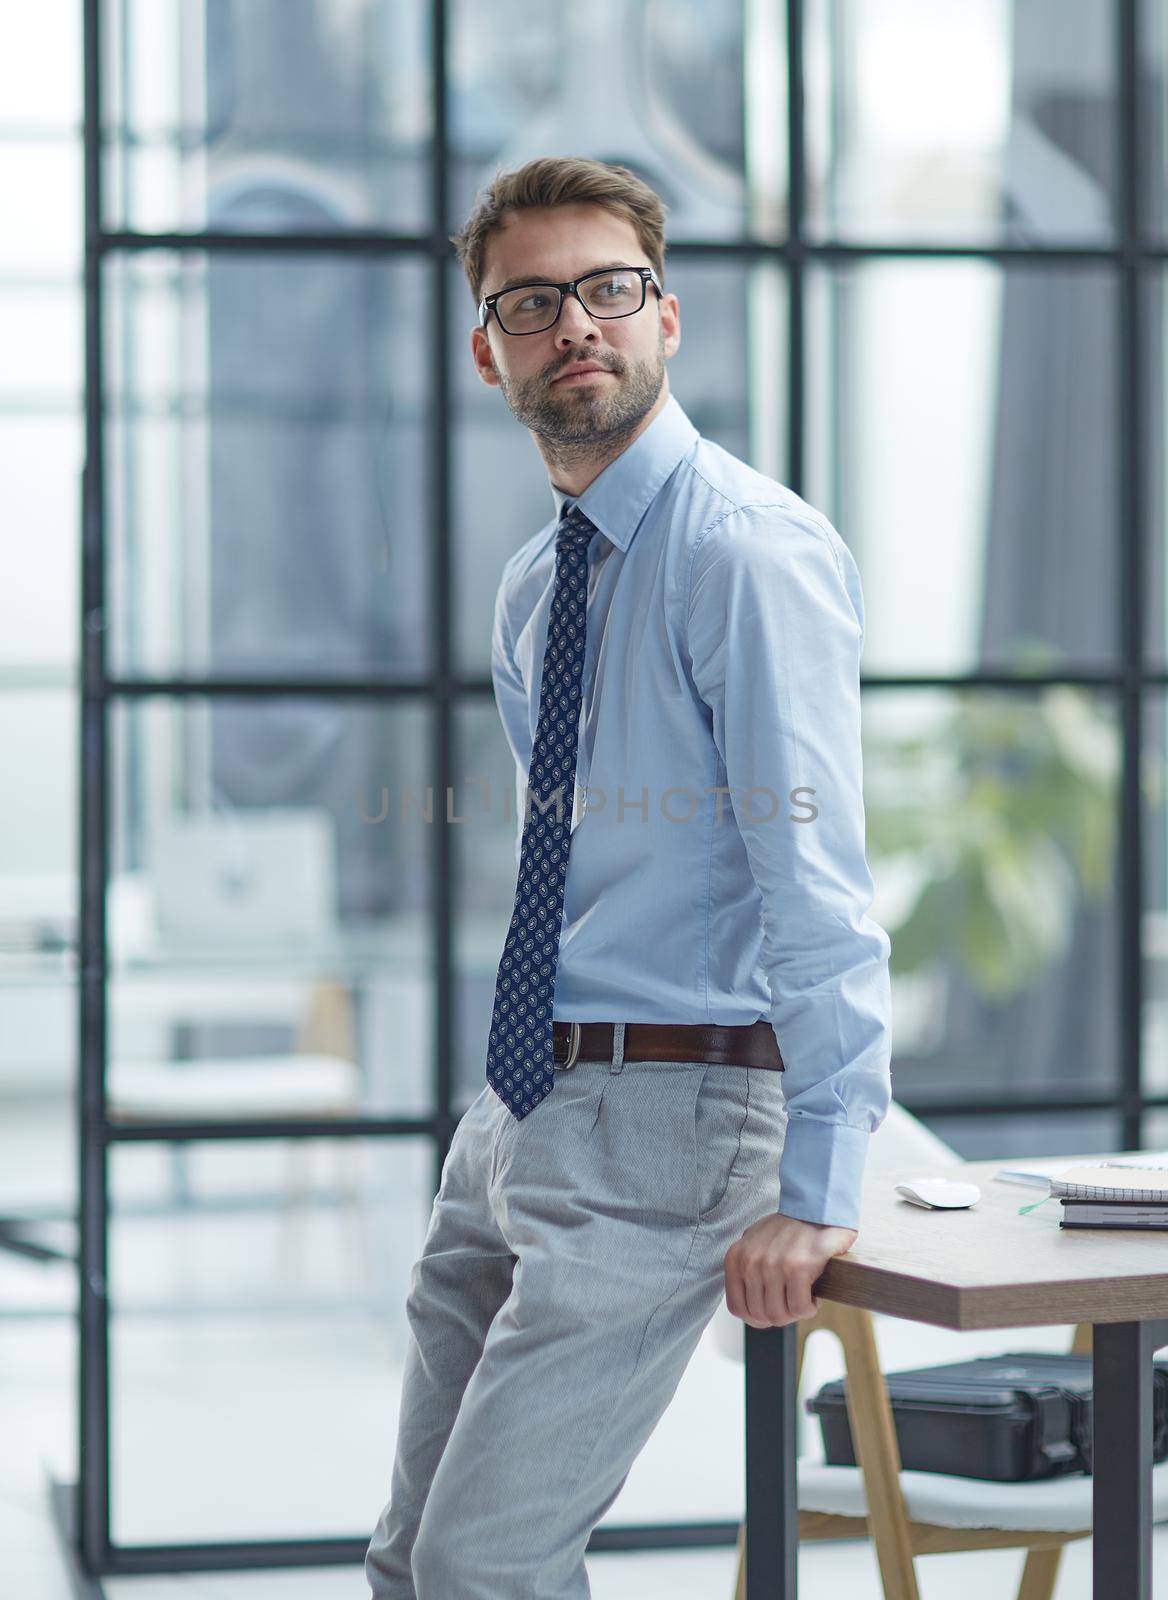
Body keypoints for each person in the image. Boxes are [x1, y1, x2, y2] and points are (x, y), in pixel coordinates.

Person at [364, 155, 892, 1600]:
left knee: (485, 1561)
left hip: (681, 1103)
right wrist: (507, 1110)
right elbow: (585, 856)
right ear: (488, 353)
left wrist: (820, 1175)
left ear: (670, 316)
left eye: (609, 289)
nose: (575, 325)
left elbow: (816, 876)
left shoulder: (746, 554)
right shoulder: (540, 581)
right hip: (525, 1098)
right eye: (532, 303)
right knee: (412, 1560)